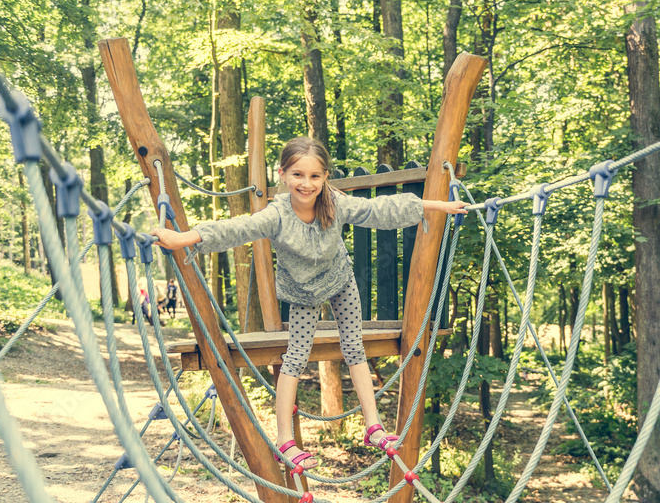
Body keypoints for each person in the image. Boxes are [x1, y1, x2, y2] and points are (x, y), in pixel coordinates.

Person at [152, 137, 466, 473]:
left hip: (339, 281)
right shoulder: (276, 215)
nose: (306, 183)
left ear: (325, 177)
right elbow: (236, 229)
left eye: (315, 176)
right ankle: (285, 440)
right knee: (296, 357)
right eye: (298, 175)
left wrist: (438, 206)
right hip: (302, 293)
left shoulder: (336, 203)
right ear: (283, 175)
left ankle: (373, 426)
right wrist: (182, 238)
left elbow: (381, 210)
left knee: (354, 348)